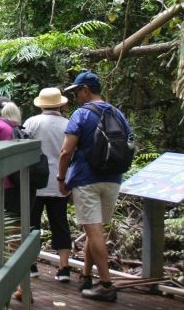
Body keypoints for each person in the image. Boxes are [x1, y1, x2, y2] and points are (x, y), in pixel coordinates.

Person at [58, 71, 133, 303]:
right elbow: (130, 143)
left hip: (86, 179)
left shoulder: (80, 115)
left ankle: (106, 285)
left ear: (86, 90)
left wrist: (61, 180)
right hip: (113, 178)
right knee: (95, 229)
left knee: (94, 230)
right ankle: (87, 275)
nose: (76, 97)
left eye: (77, 92)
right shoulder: (117, 113)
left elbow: (66, 151)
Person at [0, 98, 33, 299]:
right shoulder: (19, 127)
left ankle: (0, 288)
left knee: (0, 238)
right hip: (22, 187)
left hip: (3, 188)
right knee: (17, 239)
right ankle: (24, 287)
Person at [23, 87, 73, 283]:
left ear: (41, 104)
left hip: (36, 182)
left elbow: (23, 149)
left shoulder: (32, 123)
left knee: (32, 224)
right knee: (60, 223)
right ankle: (64, 268)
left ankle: (31, 264)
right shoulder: (68, 125)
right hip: (60, 182)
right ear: (61, 104)